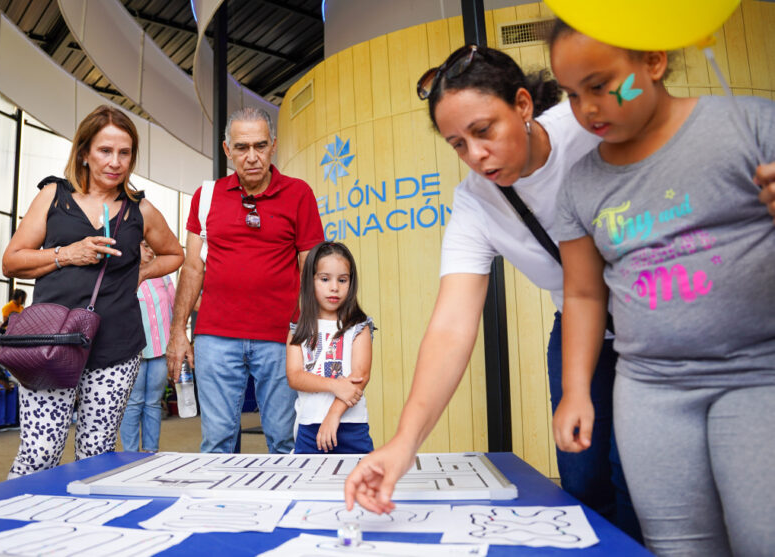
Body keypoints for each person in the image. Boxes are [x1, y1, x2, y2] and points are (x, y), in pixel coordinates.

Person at [343, 44, 641, 541]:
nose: (476, 156)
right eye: (457, 144)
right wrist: (403, 443)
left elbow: (646, 90)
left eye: (484, 131)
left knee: (635, 473)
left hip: (655, 317)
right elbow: (451, 327)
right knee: (583, 477)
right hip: (579, 329)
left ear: (523, 105)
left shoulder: (583, 122)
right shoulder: (475, 204)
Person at [548, 22, 775, 556]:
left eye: (601, 85)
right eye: (572, 94)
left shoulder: (751, 125)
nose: (587, 108)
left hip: (760, 377)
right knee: (678, 547)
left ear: (653, 62)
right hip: (652, 393)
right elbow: (582, 295)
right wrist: (577, 390)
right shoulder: (581, 184)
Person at [2, 105, 183, 477]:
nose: (115, 162)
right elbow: (12, 261)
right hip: (51, 343)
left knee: (96, 453)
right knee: (40, 452)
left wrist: (141, 271)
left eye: (124, 152)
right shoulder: (54, 196)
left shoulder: (140, 210)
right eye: (105, 150)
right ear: (84, 152)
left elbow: (175, 253)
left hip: (116, 344)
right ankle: (16, 526)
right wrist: (66, 254)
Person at [166, 107, 324, 455]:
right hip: (216, 339)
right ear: (227, 149)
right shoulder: (206, 197)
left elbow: (311, 268)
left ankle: (289, 510)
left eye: (260, 146)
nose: (251, 157)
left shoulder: (299, 194)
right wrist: (178, 332)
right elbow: (192, 268)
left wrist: (313, 330)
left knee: (285, 440)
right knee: (218, 442)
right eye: (241, 147)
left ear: (274, 147)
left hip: (282, 338)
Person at [286, 242, 374, 454]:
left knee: (360, 486)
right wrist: (336, 386)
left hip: (352, 427)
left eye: (342, 280)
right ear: (310, 281)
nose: (334, 287)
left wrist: (333, 415)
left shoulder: (359, 327)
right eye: (325, 279)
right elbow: (295, 377)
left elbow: (360, 376)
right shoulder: (298, 329)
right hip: (309, 427)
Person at [120, 240, 176, 453]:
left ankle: (152, 452)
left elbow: (174, 307)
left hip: (160, 349)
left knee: (153, 402)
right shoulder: (124, 276)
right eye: (145, 245)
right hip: (134, 350)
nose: (151, 250)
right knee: (134, 402)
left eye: (153, 246)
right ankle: (130, 454)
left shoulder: (163, 276)